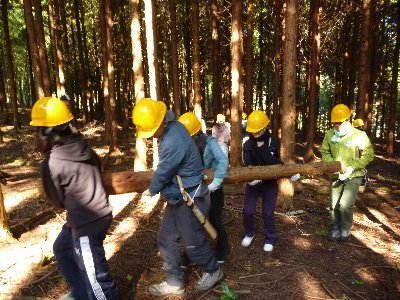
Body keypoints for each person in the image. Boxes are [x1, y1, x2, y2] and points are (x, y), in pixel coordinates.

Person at [30, 96, 120, 300]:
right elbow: (97, 164)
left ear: (46, 133)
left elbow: (58, 201)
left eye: (38, 130)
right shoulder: (82, 145)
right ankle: (81, 293)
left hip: (87, 224)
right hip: (99, 213)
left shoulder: (51, 163)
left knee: (97, 279)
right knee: (61, 248)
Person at [132, 99, 223, 297]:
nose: (150, 137)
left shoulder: (173, 140)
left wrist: (152, 189)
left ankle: (213, 270)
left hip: (191, 198)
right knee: (166, 239)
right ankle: (174, 282)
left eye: (151, 131)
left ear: (160, 124)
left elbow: (164, 171)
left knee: (193, 243)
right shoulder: (173, 127)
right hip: (178, 196)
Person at [178, 112, 229, 263]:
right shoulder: (184, 144)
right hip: (194, 190)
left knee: (214, 220)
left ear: (195, 133)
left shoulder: (210, 143)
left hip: (213, 190)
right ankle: (192, 254)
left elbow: (223, 162)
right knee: (192, 223)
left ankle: (222, 250)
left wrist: (216, 182)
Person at [321, 104, 374, 242]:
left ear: (347, 120)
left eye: (340, 122)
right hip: (335, 174)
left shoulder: (359, 135)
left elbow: (368, 154)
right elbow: (325, 152)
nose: (337, 125)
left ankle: (345, 229)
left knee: (345, 204)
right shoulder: (329, 134)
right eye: (335, 122)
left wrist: (353, 167)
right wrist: (332, 165)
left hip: (354, 174)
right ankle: (335, 228)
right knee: (333, 204)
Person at [241, 110, 281, 252]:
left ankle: (270, 238)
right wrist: (250, 178)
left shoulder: (273, 141)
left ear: (265, 127)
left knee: (268, 212)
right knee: (248, 210)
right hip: (253, 184)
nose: (255, 134)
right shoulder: (248, 144)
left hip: (270, 183)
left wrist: (263, 149)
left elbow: (275, 162)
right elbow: (247, 163)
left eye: (257, 131)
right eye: (253, 132)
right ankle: (249, 232)